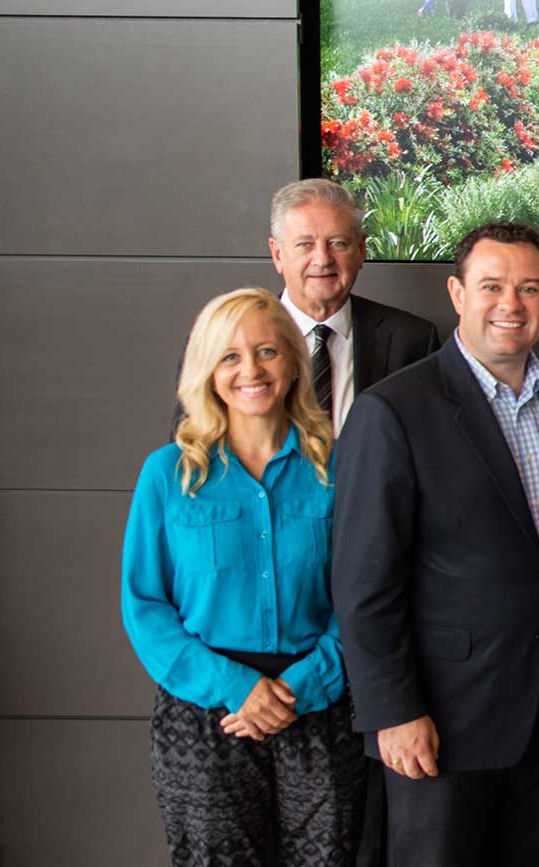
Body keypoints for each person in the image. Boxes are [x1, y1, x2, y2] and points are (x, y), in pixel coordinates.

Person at [330, 222, 539, 867]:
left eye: (530, 288)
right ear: (456, 292)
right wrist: (393, 711)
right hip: (441, 724)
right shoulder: (392, 410)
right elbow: (364, 582)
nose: (512, 304)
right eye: (493, 286)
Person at [122, 287, 361, 866]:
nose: (250, 370)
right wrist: (238, 687)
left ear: (293, 362)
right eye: (229, 356)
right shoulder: (168, 474)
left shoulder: (339, 467)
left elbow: (361, 596)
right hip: (207, 715)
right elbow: (145, 605)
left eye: (267, 352)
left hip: (318, 707)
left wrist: (304, 687)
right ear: (206, 370)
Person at [266, 179, 440, 434]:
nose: (323, 259)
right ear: (278, 255)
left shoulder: (412, 341)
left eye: (338, 243)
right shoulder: (229, 339)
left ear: (361, 250)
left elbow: (430, 446)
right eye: (305, 245)